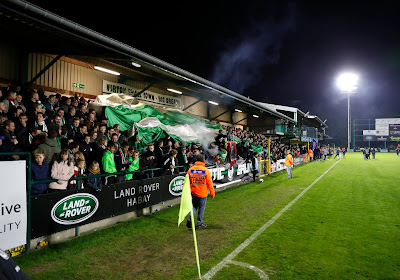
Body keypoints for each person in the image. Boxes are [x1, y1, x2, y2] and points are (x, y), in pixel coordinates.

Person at [186, 154, 215, 229]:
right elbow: (209, 183)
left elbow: (187, 181)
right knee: (201, 208)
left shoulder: (191, 169)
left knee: (194, 206)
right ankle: (199, 223)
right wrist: (212, 193)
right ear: (203, 161)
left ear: (196, 160)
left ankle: (190, 217)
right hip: (202, 193)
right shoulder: (205, 171)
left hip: (193, 192)